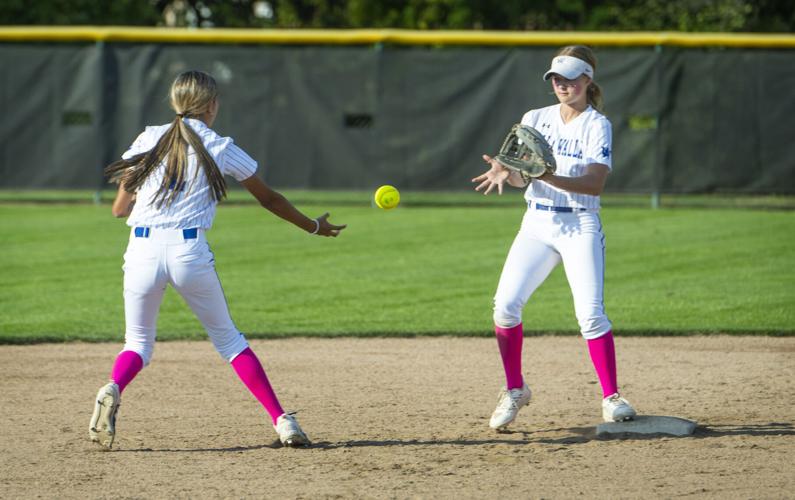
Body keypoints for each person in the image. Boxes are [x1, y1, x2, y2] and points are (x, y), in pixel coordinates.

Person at [89, 70, 346, 449]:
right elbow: (270, 199)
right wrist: (313, 226)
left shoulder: (149, 137)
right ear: (211, 105)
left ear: (175, 103)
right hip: (188, 251)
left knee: (138, 344)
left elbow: (118, 208)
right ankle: (282, 421)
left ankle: (113, 386)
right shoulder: (220, 146)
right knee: (229, 341)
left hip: (141, 248)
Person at [472, 45, 636, 431]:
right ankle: (515, 389)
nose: (563, 85)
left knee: (590, 314)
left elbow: (594, 185)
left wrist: (545, 175)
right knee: (505, 306)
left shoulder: (597, 124)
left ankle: (611, 397)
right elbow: (519, 176)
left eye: (571, 78)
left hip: (580, 223)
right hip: (537, 223)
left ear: (587, 80)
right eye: (556, 79)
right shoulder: (535, 118)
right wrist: (506, 173)